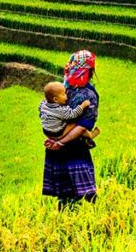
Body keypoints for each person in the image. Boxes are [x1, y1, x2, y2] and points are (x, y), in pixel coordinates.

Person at [43, 50, 100, 209]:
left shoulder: (62, 88)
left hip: (55, 147)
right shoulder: (88, 94)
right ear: (90, 71)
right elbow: (83, 126)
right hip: (75, 148)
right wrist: (61, 142)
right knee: (86, 193)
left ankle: (65, 221)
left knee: (63, 194)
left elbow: (48, 115)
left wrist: (55, 139)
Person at [39, 81, 98, 149]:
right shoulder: (60, 110)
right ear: (55, 99)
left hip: (46, 130)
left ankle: (87, 135)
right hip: (57, 132)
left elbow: (40, 109)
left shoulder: (43, 104)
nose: (66, 96)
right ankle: (61, 142)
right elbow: (73, 114)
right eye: (64, 94)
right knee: (77, 122)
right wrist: (83, 106)